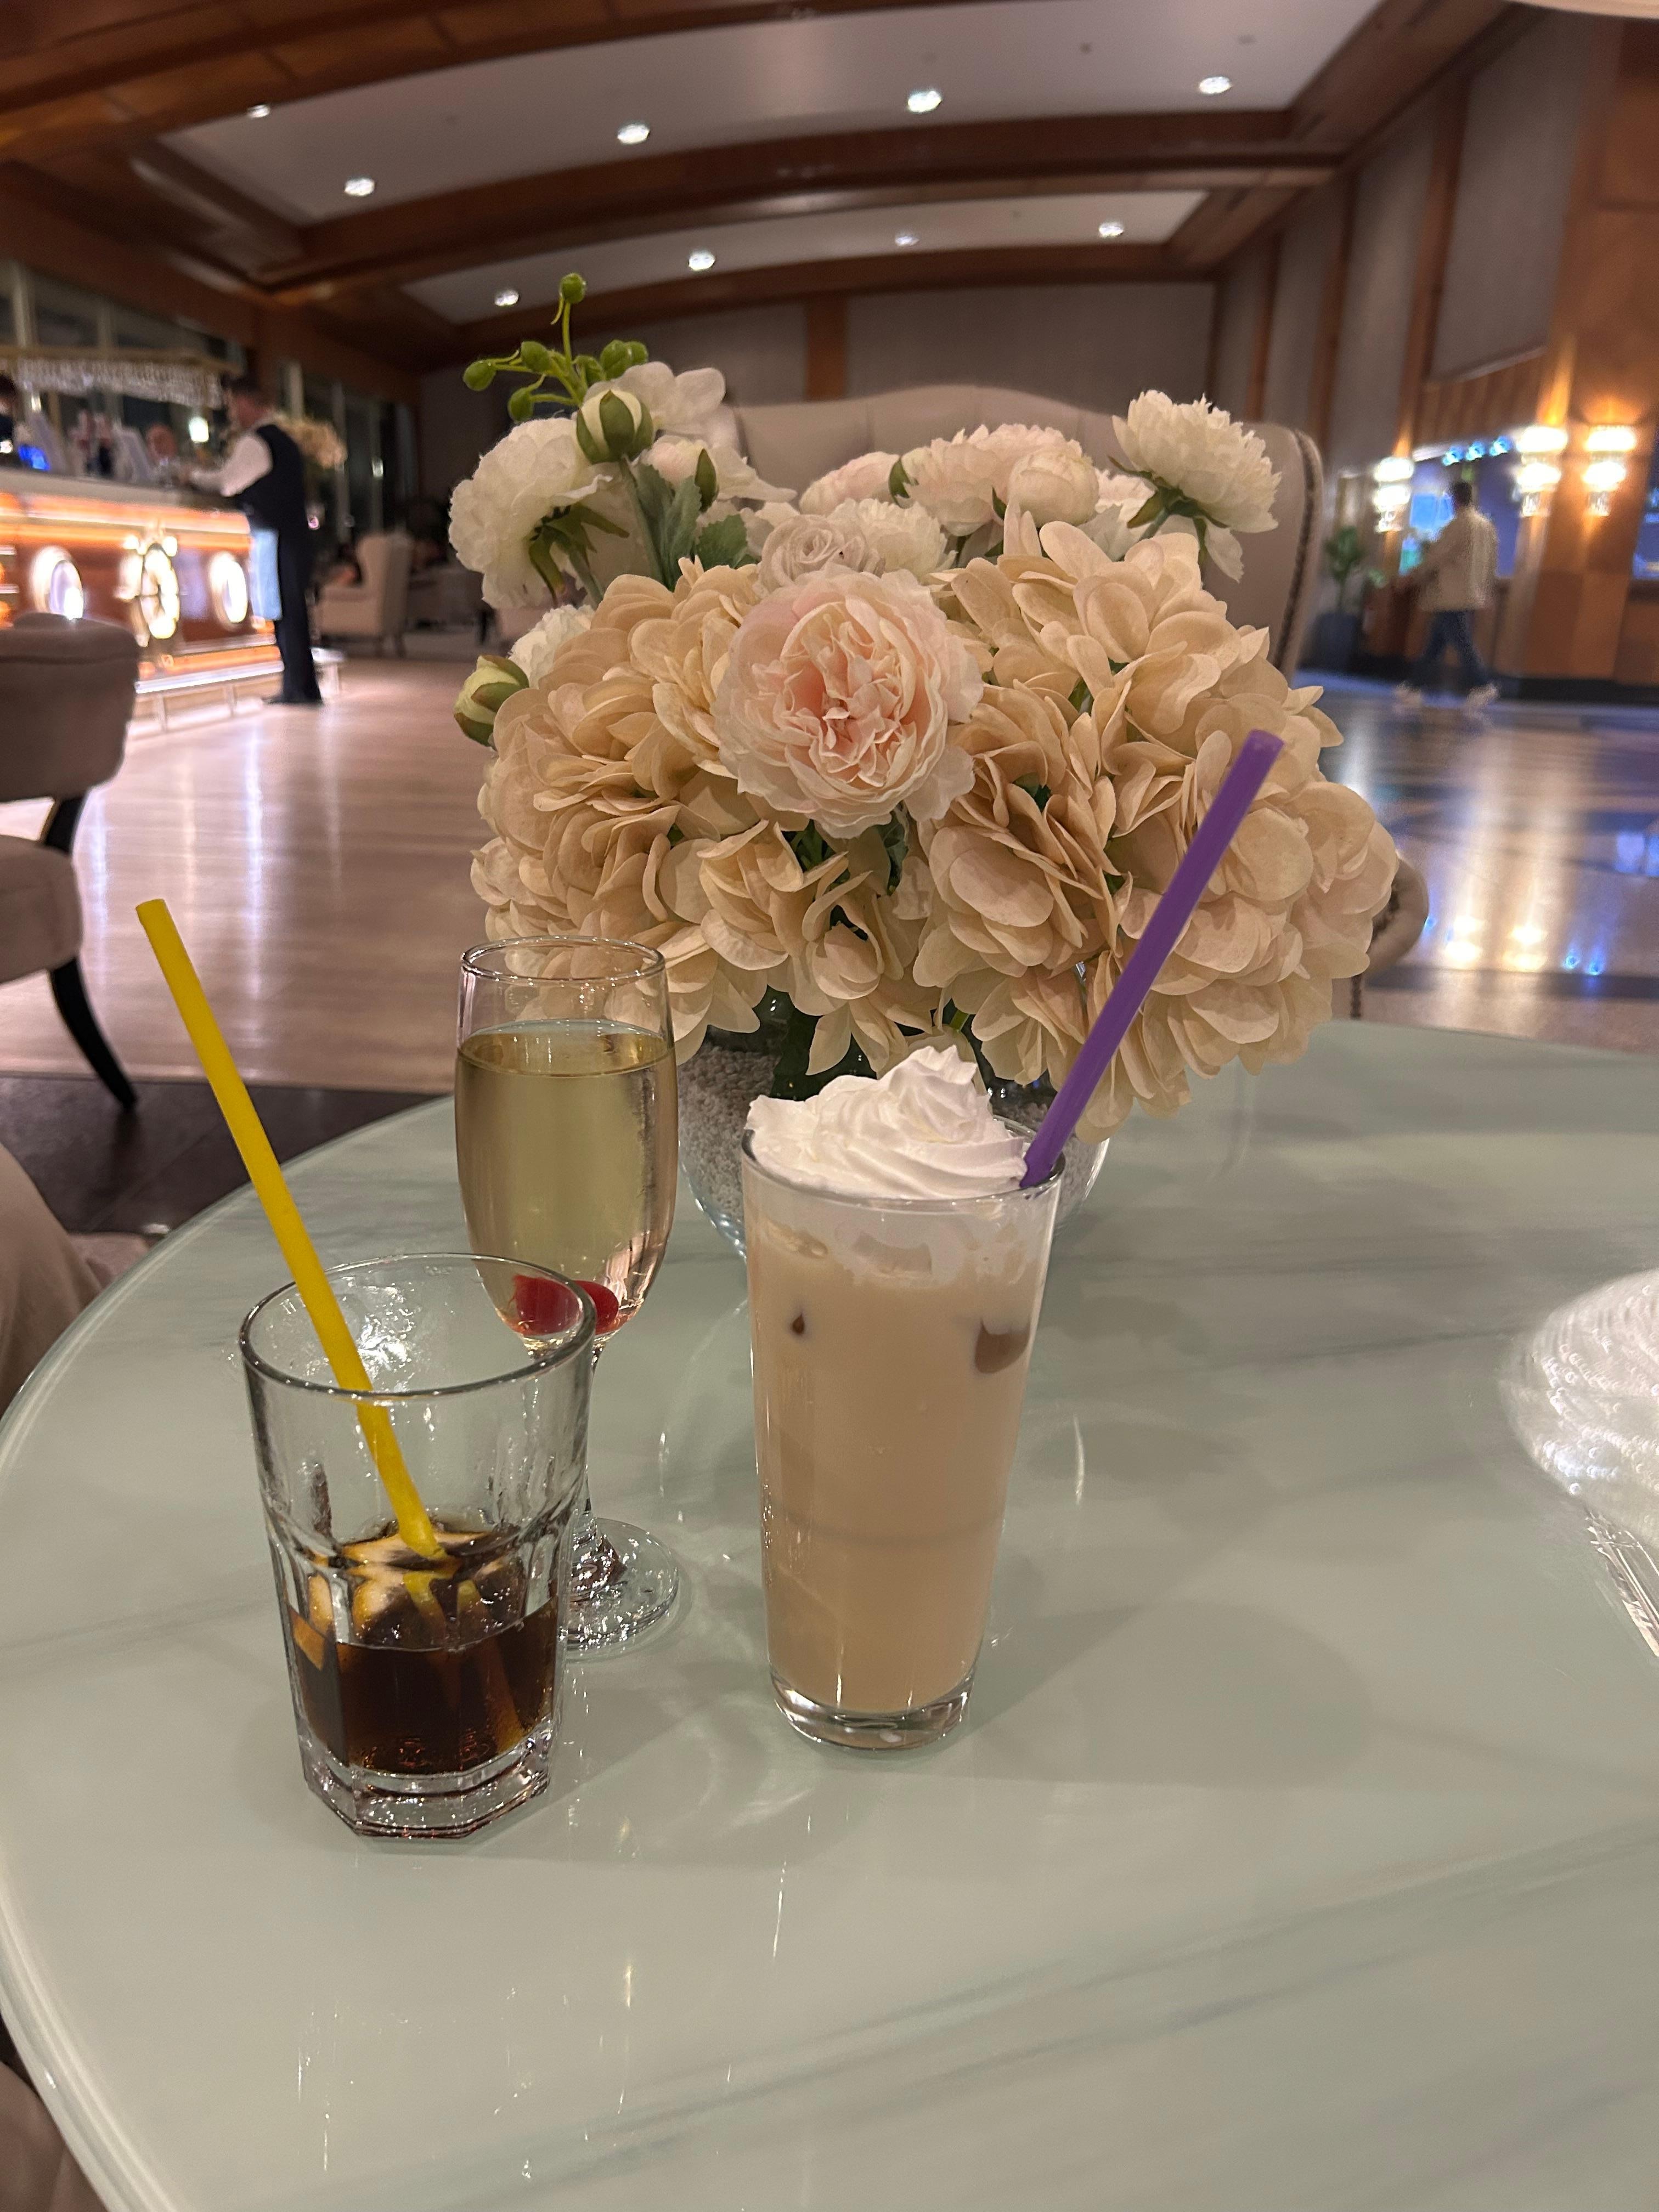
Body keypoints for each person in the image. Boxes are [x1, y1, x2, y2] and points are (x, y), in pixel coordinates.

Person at [190, 377, 322, 707]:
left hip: (278, 537)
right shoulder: (283, 440)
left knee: (287, 613)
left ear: (246, 402)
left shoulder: (257, 441)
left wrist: (190, 476)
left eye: (233, 405)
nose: (232, 413)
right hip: (293, 536)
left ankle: (299, 689)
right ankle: (300, 687)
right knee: (292, 612)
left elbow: (226, 483)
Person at [1395, 478, 1499, 709]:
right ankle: (1414, 686)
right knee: (1437, 642)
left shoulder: (1459, 525)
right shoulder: (1487, 527)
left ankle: (1483, 684)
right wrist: (1487, 591)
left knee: (1461, 641)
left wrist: (1412, 576)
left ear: (1455, 499)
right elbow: (1492, 564)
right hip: (1471, 593)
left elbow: (1436, 557)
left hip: (1451, 594)